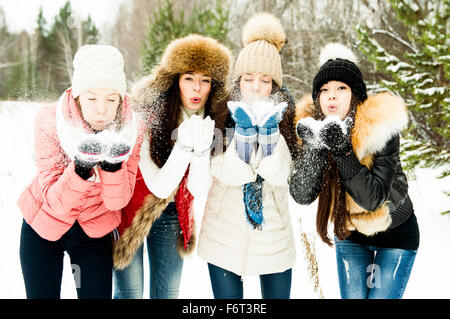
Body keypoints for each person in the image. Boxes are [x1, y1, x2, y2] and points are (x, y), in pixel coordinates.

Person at [290, 43, 420, 299]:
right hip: (350, 234)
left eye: (341, 88)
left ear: (356, 94)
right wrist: (316, 146)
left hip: (396, 236)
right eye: (325, 90)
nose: (332, 96)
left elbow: (373, 198)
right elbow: (302, 194)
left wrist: (343, 150)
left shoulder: (380, 128)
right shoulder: (315, 126)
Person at [112, 34, 233, 299]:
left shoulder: (214, 121)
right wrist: (185, 145)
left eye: (205, 80)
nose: (197, 88)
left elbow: (198, 188)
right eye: (189, 78)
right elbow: (158, 184)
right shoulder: (147, 113)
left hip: (172, 213)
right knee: (130, 293)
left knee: (166, 293)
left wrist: (200, 150)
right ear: (175, 79)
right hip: (131, 210)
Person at [17, 44, 142, 299]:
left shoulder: (131, 130)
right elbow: (56, 202)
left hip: (92, 232)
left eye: (111, 99)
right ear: (77, 95)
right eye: (91, 98)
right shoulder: (50, 120)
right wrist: (82, 167)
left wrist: (111, 166)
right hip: (43, 227)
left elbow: (117, 200)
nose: (101, 109)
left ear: (121, 99)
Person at [197, 13, 299, 299]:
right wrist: (242, 136)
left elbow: (280, 174)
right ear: (238, 80)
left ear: (274, 85)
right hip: (223, 235)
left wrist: (269, 135)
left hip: (273, 237)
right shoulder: (220, 115)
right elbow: (226, 172)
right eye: (249, 79)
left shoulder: (285, 118)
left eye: (265, 80)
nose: (255, 87)